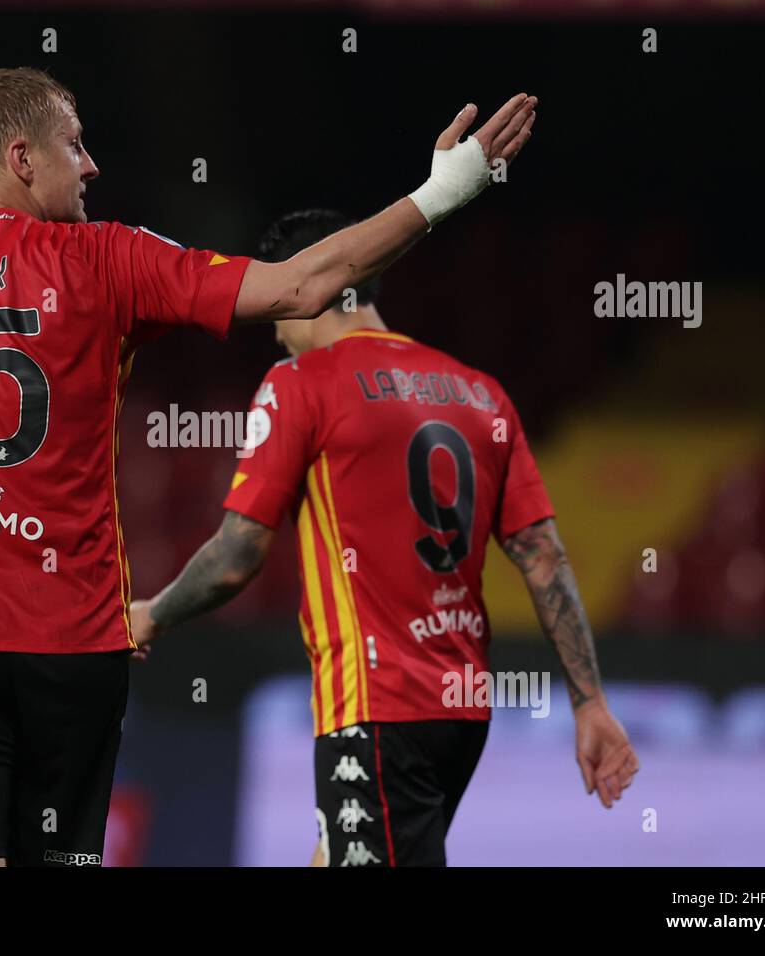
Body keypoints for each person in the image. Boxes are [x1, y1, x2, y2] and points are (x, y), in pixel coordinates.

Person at [0, 66, 537, 867]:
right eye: (74, 146)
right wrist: (441, 194)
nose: (91, 165)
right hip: (77, 655)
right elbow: (301, 287)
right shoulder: (113, 260)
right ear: (21, 158)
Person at [130, 208, 637, 867]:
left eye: (280, 312)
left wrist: (152, 615)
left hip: (375, 704)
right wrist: (590, 703)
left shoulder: (301, 384)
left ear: (314, 283)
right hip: (460, 711)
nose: (279, 337)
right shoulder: (482, 393)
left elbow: (236, 554)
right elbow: (542, 558)